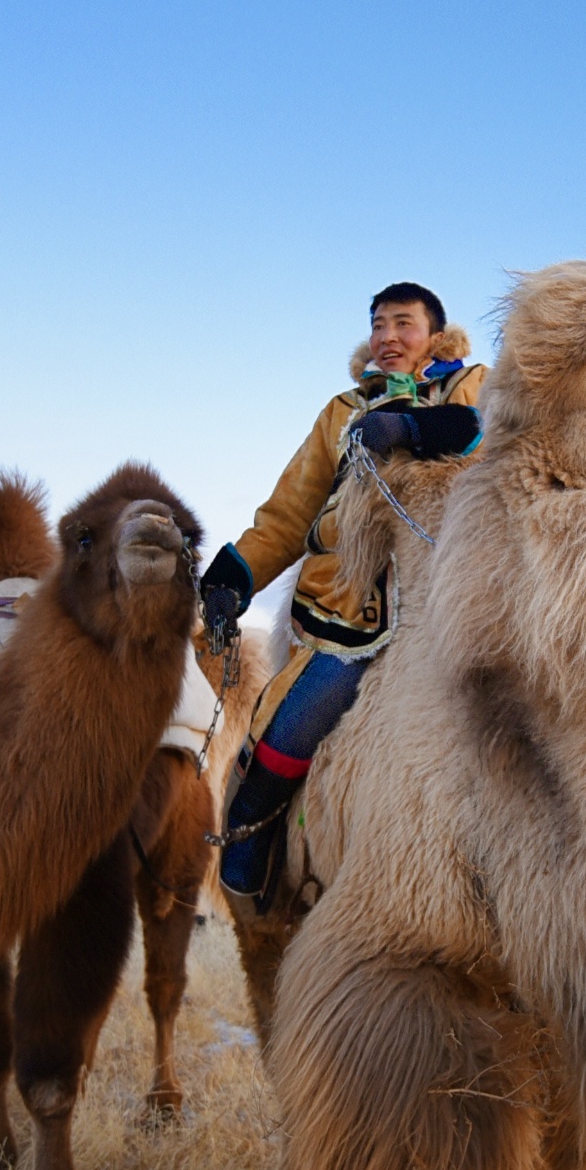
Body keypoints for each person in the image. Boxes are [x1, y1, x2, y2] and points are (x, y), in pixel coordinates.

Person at [200, 281, 488, 902]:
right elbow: (288, 514)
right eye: (379, 324)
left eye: (403, 324)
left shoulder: (473, 383)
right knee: (291, 726)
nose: (388, 337)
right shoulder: (340, 411)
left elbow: (493, 432)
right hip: (348, 605)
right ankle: (252, 829)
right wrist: (234, 576)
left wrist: (414, 428)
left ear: (435, 336)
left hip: (453, 592)